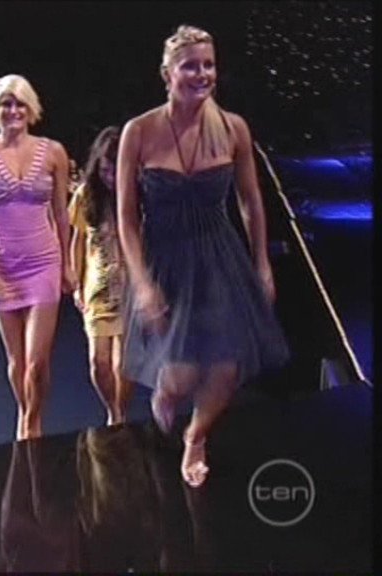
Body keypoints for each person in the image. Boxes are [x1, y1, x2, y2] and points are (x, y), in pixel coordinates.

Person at [116, 25, 289, 487]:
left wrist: (262, 263)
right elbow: (126, 218)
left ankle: (196, 436)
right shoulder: (139, 132)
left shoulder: (233, 128)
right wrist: (142, 283)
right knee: (179, 376)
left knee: (227, 364)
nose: (202, 74)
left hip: (219, 258)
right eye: (190, 65)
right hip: (165, 260)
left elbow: (251, 202)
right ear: (167, 74)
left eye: (209, 64)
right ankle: (168, 399)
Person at [0, 74, 75, 440]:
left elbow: (61, 214)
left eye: (20, 104)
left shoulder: (54, 152)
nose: (14, 111)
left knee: (38, 362)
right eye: (6, 104)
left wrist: (68, 264)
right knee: (18, 361)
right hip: (2, 266)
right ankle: (27, 419)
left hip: (44, 262)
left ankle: (32, 422)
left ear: (31, 108)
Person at [69, 127, 135, 426]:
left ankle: (118, 415)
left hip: (129, 289)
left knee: (125, 362)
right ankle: (112, 409)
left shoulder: (134, 193)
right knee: (99, 361)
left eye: (116, 170)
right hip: (97, 288)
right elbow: (78, 241)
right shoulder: (86, 195)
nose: (110, 177)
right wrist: (76, 282)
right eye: (106, 170)